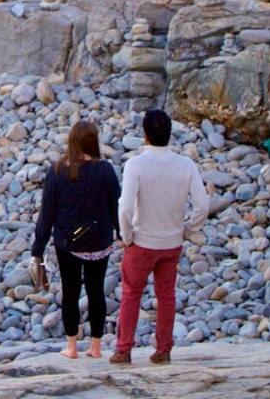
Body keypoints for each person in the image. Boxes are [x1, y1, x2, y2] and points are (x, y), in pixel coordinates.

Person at [111, 110, 211, 365]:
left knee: (131, 293)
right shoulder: (185, 165)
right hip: (172, 242)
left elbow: (125, 206)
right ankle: (163, 349)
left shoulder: (136, 164)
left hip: (142, 241)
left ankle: (124, 350)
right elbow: (202, 204)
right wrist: (188, 229)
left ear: (144, 135)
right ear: (169, 134)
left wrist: (127, 235)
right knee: (166, 295)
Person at [31, 121, 121, 359]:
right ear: (94, 142)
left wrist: (37, 249)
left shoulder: (59, 170)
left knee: (70, 292)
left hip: (68, 243)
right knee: (96, 291)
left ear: (71, 141)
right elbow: (116, 207)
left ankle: (71, 347)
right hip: (100, 242)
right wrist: (124, 235)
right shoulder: (105, 170)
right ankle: (96, 347)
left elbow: (46, 215)